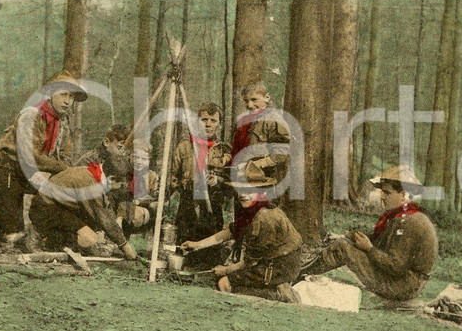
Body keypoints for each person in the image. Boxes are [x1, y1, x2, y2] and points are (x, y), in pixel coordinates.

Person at [299, 165, 438, 305]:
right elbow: (379, 240)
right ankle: (302, 271)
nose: (382, 197)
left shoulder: (408, 221)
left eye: (387, 193)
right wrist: (349, 236)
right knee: (343, 243)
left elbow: (396, 267)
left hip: (403, 286)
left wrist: (368, 249)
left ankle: (297, 275)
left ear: (403, 195)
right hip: (405, 281)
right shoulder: (403, 216)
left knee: (343, 248)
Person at [0, 71, 86, 242]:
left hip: (30, 174)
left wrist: (69, 174)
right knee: (13, 236)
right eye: (63, 94)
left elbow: (63, 155)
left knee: (62, 194)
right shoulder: (31, 115)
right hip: (7, 172)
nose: (67, 101)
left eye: (71, 96)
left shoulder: (61, 122)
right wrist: (63, 169)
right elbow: (30, 157)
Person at [180, 175, 302, 304]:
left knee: (224, 283)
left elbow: (251, 261)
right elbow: (231, 232)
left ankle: (278, 294)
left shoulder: (264, 218)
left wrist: (226, 270)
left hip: (281, 266)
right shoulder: (253, 209)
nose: (243, 195)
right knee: (232, 278)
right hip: (272, 261)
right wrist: (197, 245)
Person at [27, 165, 140, 262]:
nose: (119, 188)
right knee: (90, 239)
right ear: (112, 179)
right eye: (121, 185)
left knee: (90, 227)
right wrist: (125, 246)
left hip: (59, 206)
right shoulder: (91, 184)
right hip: (44, 209)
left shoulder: (92, 172)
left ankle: (56, 240)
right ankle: (39, 234)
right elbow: (103, 217)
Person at [170, 101, 231, 269]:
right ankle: (184, 264)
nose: (208, 124)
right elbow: (172, 176)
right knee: (186, 234)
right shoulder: (184, 146)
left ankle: (208, 267)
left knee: (211, 235)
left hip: (213, 201)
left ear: (220, 124)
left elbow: (230, 181)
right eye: (204, 119)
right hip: (188, 200)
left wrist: (218, 181)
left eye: (213, 120)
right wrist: (183, 184)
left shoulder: (224, 150)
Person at [230, 83, 290, 187]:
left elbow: (281, 154)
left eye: (254, 100)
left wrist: (255, 165)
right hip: (243, 180)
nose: (249, 105)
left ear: (266, 98)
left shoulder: (274, 120)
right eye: (246, 101)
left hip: (266, 181)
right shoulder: (245, 122)